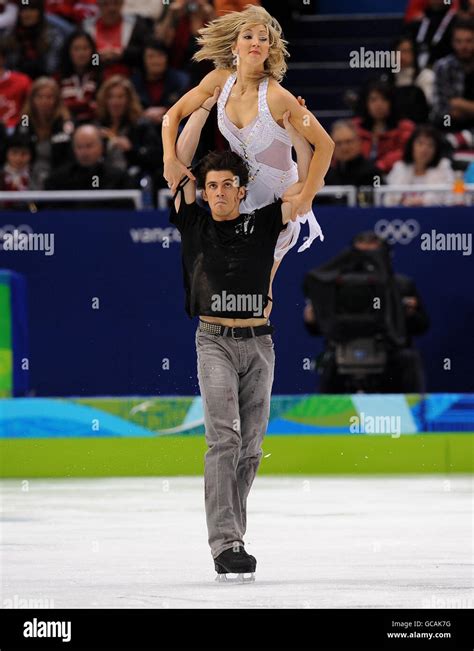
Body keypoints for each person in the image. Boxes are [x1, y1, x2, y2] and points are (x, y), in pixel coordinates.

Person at [169, 88, 303, 578]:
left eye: (229, 185)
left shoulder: (265, 222)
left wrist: (298, 127)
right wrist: (204, 104)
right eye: (213, 186)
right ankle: (225, 543)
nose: (220, 192)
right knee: (223, 439)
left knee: (250, 447)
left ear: (242, 190)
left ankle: (233, 535)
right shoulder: (193, 223)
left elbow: (305, 186)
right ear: (203, 191)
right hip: (215, 342)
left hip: (260, 343)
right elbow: (178, 165)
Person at [163, 5, 334, 304]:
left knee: (258, 289)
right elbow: (171, 116)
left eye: (263, 38)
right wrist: (168, 158)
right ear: (234, 46)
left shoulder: (279, 97)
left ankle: (259, 344)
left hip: (279, 197)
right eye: (248, 35)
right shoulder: (220, 80)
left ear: (269, 49)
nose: (256, 42)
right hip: (240, 193)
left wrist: (307, 195)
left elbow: (327, 145)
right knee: (230, 281)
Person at [303, 231, 430, 393]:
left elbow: (422, 326)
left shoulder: (401, 285)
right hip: (342, 353)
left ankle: (413, 412)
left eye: (373, 256)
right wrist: (313, 319)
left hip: (391, 354)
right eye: (360, 256)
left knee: (409, 359)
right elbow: (319, 329)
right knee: (328, 362)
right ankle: (326, 416)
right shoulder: (335, 285)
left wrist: (411, 314)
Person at [44, 123, 135, 208]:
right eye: (79, 147)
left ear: (101, 147)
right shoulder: (58, 180)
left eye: (89, 146)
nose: (84, 152)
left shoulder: (119, 179)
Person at [95, 74, 163, 179]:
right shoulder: (98, 126)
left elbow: (156, 158)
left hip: (133, 182)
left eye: (120, 97)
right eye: (110, 97)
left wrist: (131, 150)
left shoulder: (142, 126)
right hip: (104, 182)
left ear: (129, 100)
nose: (115, 102)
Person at [14, 76, 74, 189]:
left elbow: (70, 158)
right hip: (28, 175)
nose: (44, 101)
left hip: (60, 177)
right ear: (32, 99)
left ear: (56, 100)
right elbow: (16, 150)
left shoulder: (66, 123)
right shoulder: (24, 122)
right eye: (40, 97)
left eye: (49, 97)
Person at [352, 81, 415, 174]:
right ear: (366, 103)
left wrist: (382, 165)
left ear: (391, 103)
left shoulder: (405, 127)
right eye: (373, 100)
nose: (379, 104)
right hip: (359, 177)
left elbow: (407, 152)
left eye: (384, 99)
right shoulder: (354, 127)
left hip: (394, 177)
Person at [385, 125, 455, 206]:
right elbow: (388, 199)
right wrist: (402, 201)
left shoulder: (443, 167)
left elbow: (450, 200)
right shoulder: (399, 168)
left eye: (430, 145)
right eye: (420, 143)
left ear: (436, 150)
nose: (424, 149)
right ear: (412, 146)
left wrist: (423, 202)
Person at [431, 18, 474, 150]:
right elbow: (441, 109)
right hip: (451, 124)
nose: (463, 46)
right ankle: (459, 139)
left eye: (469, 41)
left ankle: (460, 139)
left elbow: (454, 103)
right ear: (452, 42)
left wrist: (460, 104)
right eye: (458, 41)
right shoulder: (443, 67)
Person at [83, 0, 152, 80]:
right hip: (95, 81)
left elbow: (145, 54)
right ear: (98, 5)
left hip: (131, 80)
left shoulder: (137, 25)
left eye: (116, 3)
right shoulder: (87, 27)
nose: (112, 8)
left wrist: (122, 55)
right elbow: (85, 62)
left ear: (122, 3)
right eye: (106, 4)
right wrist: (98, 57)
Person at [131, 38, 190, 127]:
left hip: (175, 127)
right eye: (151, 56)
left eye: (160, 56)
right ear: (143, 59)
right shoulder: (133, 83)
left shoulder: (181, 81)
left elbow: (189, 108)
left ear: (167, 58)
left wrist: (165, 112)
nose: (156, 61)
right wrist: (143, 114)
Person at [5, 0, 65, 78]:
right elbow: (7, 68)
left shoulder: (53, 35)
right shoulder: (10, 36)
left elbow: (52, 67)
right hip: (17, 81)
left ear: (40, 13)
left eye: (32, 9)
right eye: (24, 10)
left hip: (45, 81)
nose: (27, 14)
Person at [56, 30, 101, 124]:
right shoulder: (58, 78)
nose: (81, 53)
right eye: (76, 49)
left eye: (85, 48)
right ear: (68, 52)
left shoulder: (101, 76)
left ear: (92, 51)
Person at [325, 120, 381, 187]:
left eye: (349, 142)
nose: (344, 148)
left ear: (359, 142)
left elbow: (382, 194)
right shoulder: (326, 176)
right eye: (338, 143)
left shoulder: (373, 173)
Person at [0, 37, 32, 131]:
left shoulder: (22, 81)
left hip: (15, 129)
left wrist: (23, 127)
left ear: (3, 58)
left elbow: (28, 110)